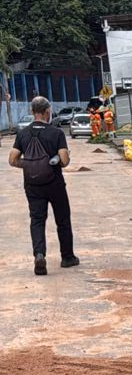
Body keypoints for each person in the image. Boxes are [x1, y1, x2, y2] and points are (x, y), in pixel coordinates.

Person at [8, 95, 79, 275]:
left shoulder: (23, 134)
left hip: (32, 184)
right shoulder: (56, 133)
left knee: (37, 220)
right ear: (48, 111)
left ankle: (39, 255)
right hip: (55, 183)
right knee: (62, 219)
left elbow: (12, 160)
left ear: (32, 112)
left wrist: (30, 165)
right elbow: (63, 160)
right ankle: (67, 257)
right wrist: (55, 161)